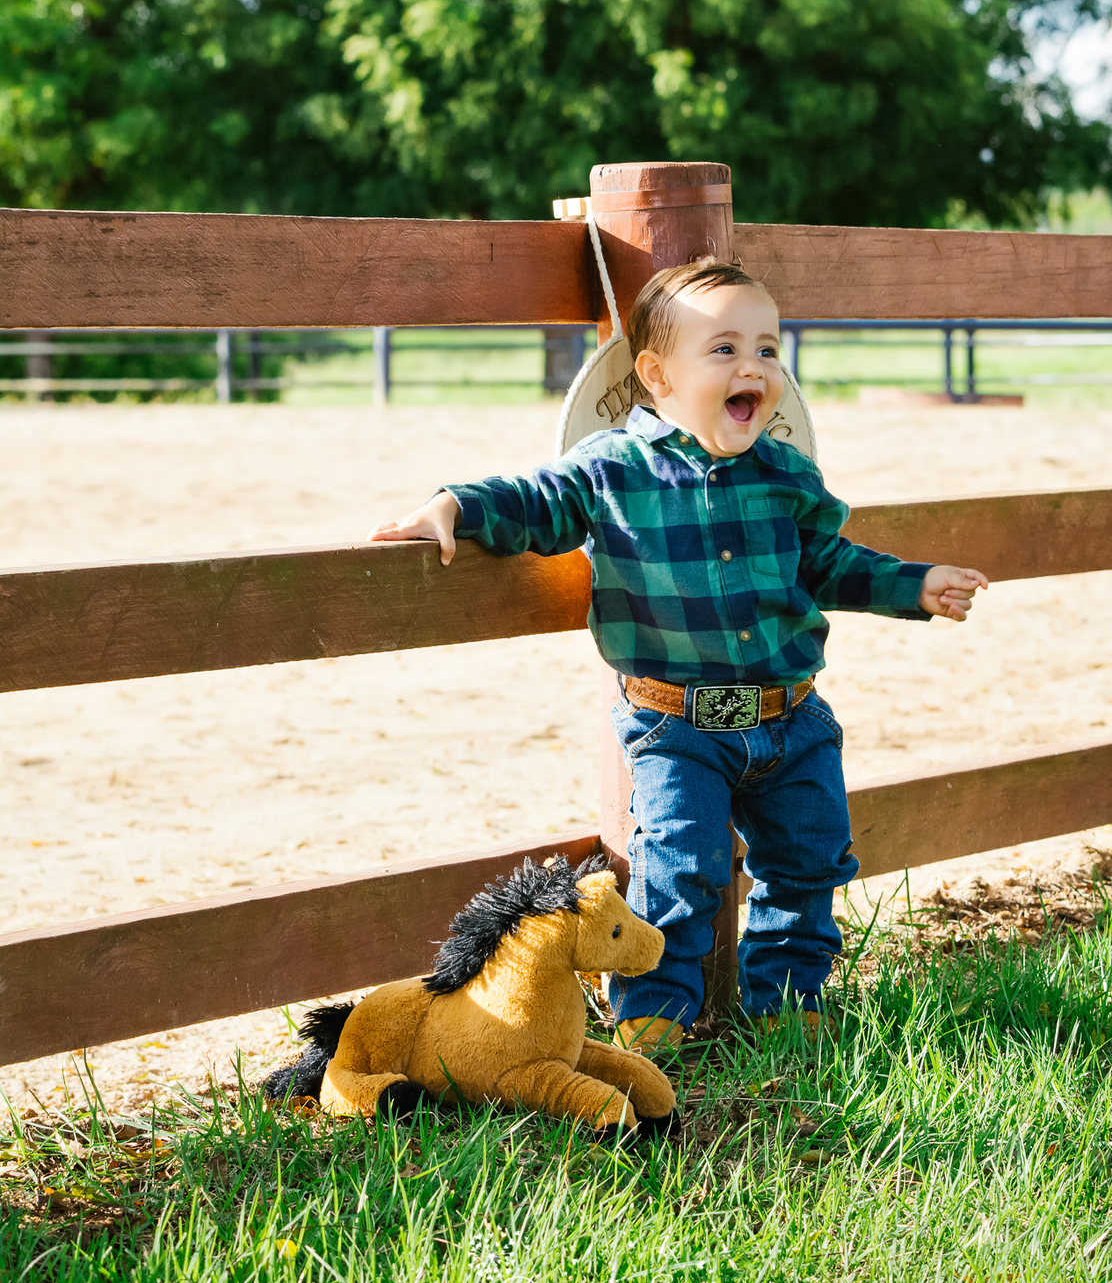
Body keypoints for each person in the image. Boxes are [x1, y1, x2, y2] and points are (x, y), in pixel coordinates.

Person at [369, 259, 987, 1056]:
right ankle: (652, 1013)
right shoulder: (612, 473)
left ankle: (788, 1001)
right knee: (678, 872)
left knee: (808, 864)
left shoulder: (785, 477)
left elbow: (827, 564)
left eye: (767, 350)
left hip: (790, 718)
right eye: (724, 350)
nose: (753, 369)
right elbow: (537, 499)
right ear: (658, 376)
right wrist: (456, 504)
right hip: (677, 728)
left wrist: (914, 584)